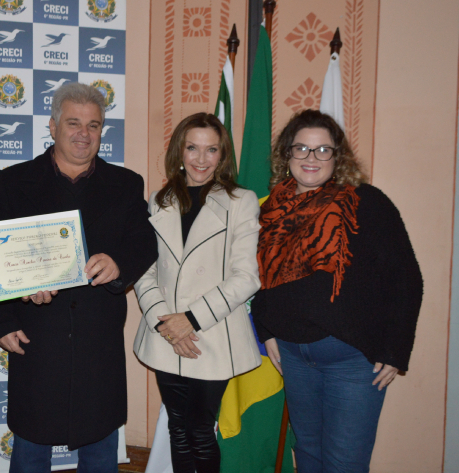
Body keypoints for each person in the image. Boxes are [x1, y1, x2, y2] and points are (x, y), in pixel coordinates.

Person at [0, 82, 157, 473]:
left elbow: (144, 243)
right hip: (36, 337)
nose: (84, 134)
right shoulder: (13, 181)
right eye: (74, 123)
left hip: (99, 340)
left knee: (100, 450)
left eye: (93, 125)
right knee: (30, 450)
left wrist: (118, 264)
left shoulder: (126, 183)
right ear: (53, 126)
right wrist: (4, 321)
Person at [251, 109, 423, 473]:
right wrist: (265, 329)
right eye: (301, 148)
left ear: (337, 156)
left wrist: (395, 350)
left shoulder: (366, 202)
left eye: (323, 150)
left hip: (352, 361)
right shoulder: (272, 209)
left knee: (344, 462)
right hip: (294, 358)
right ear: (287, 154)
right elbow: (263, 277)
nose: (311, 158)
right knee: (308, 455)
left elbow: (405, 278)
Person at [133, 113, 262, 473]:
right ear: (179, 151)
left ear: (222, 155)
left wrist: (189, 320)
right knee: (178, 429)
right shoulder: (158, 200)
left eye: (211, 150)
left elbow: (246, 277)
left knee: (201, 431)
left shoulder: (241, 201)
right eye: (192, 148)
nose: (201, 159)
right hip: (165, 333)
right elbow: (144, 270)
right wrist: (166, 324)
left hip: (211, 334)